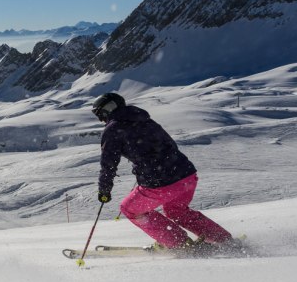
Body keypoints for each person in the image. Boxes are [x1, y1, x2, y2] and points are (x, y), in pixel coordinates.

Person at [92, 93, 235, 251]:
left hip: (159, 183)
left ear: (106, 110)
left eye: (99, 115)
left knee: (130, 209)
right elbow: (168, 145)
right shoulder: (144, 118)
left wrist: (104, 190)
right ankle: (223, 240)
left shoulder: (113, 128)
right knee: (176, 211)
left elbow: (108, 164)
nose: (101, 120)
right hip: (186, 175)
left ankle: (179, 243)